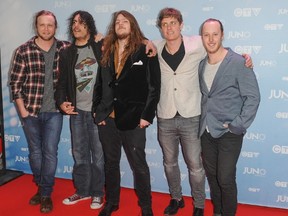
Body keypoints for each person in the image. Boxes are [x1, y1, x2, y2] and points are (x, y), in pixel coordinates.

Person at [154, 8, 253, 216]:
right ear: (161, 28)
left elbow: (221, 51)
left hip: (194, 118)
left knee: (201, 169)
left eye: (173, 23)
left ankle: (200, 204)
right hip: (170, 117)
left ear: (181, 25)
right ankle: (177, 198)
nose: (169, 27)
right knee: (171, 163)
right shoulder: (155, 48)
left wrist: (246, 58)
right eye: (165, 24)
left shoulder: (198, 45)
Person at [92, 10, 161, 216]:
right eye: (117, 22)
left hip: (134, 119)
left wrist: (146, 116)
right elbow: (99, 84)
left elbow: (154, 87)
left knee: (139, 165)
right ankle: (112, 202)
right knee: (110, 164)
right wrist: (98, 112)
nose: (120, 24)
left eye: (125, 21)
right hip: (108, 119)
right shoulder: (106, 49)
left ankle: (146, 206)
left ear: (133, 25)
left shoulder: (145, 50)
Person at [9, 10, 70, 213]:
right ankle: (42, 185)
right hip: (30, 112)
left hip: (55, 112)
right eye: (42, 25)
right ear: (36, 26)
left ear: (55, 27)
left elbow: (92, 47)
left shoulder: (65, 49)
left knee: (50, 153)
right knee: (35, 153)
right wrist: (23, 112)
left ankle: (45, 194)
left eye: (50, 25)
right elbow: (15, 84)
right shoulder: (23, 51)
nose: (46, 28)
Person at [198, 18, 260, 216]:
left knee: (225, 178)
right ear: (202, 37)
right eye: (206, 34)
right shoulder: (201, 64)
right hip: (206, 131)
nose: (211, 39)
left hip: (229, 132)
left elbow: (253, 97)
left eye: (215, 34)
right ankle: (218, 212)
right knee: (213, 177)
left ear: (222, 35)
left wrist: (237, 125)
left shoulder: (239, 62)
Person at [54, 10, 105, 210]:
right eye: (74, 22)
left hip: (96, 111)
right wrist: (61, 103)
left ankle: (98, 193)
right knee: (80, 154)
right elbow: (61, 84)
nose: (77, 26)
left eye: (81, 22)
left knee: (98, 155)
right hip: (77, 112)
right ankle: (83, 191)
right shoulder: (67, 53)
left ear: (89, 26)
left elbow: (126, 40)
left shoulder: (100, 47)